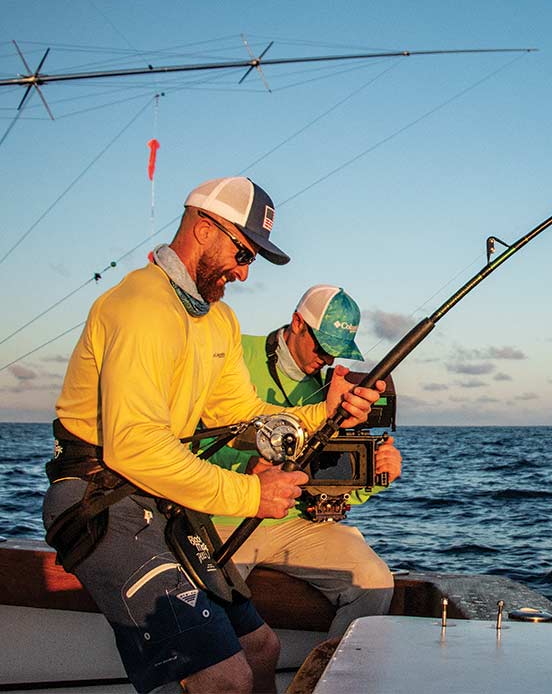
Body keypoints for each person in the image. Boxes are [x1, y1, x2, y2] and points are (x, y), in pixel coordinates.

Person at [41, 177, 385, 694]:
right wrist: (252, 493)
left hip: (162, 500)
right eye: (242, 252)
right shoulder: (142, 307)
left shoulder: (218, 318)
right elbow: (133, 445)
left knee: (261, 648)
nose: (245, 272)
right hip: (98, 500)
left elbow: (245, 416)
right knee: (224, 677)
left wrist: (323, 412)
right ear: (203, 229)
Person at [207, 285, 402, 640]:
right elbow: (188, 440)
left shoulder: (334, 387)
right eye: (323, 346)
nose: (326, 359)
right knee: (208, 603)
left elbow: (334, 487)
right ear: (298, 323)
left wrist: (376, 475)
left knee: (374, 580)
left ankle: (323, 679)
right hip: (223, 515)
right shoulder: (234, 353)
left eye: (336, 352)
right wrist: (246, 467)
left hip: (293, 522)